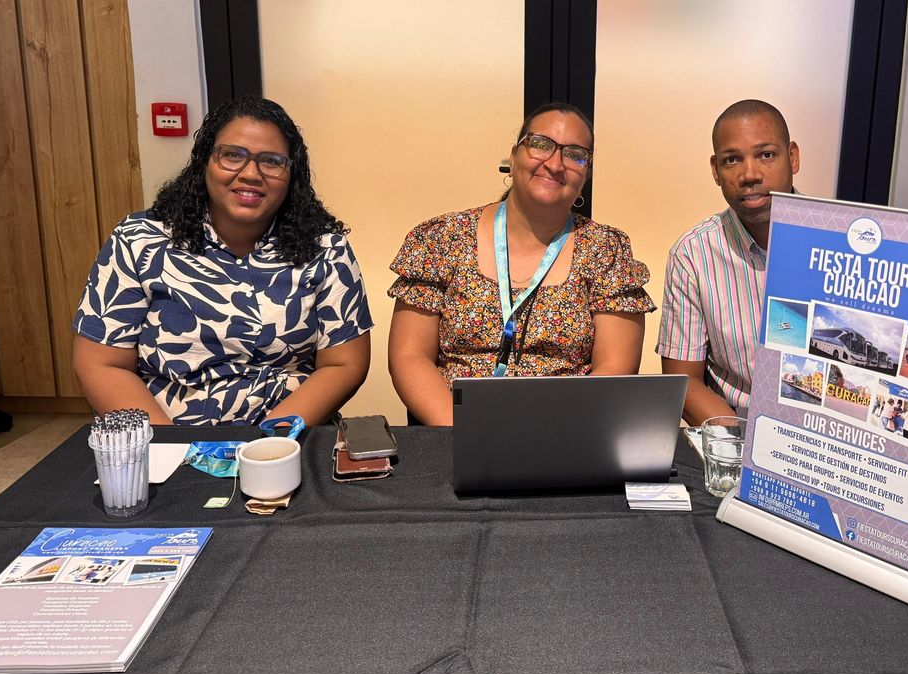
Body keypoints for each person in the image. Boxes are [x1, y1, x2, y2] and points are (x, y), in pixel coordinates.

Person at [72, 96, 373, 426]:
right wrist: (172, 448)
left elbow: (343, 364)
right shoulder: (139, 239)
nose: (250, 173)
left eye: (271, 161)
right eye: (233, 155)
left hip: (288, 434)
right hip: (166, 432)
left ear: (292, 175)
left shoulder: (326, 248)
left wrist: (269, 445)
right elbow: (103, 363)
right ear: (205, 162)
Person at [387, 102, 654, 425]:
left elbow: (614, 369)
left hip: (566, 432)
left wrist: (547, 438)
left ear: (585, 176)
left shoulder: (605, 250)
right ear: (513, 158)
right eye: (541, 144)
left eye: (575, 154)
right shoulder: (441, 238)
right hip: (452, 432)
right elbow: (409, 356)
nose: (556, 164)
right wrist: (464, 433)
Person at [656, 99, 799, 425]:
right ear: (716, 170)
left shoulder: (843, 243)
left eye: (766, 155)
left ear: (793, 157)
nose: (750, 174)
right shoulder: (693, 254)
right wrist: (743, 447)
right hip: (737, 431)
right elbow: (682, 381)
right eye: (732, 160)